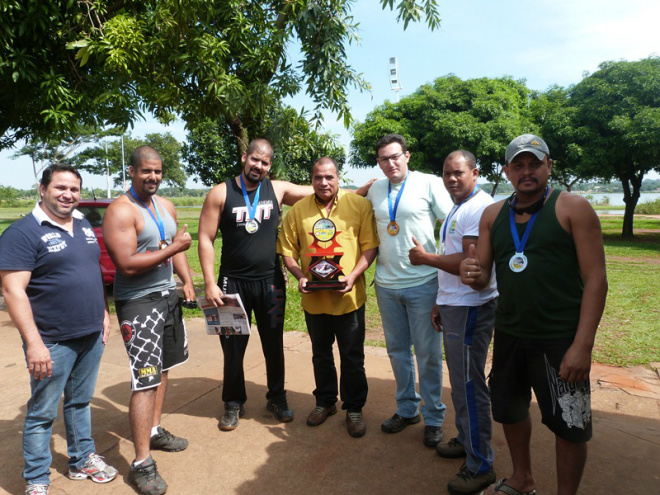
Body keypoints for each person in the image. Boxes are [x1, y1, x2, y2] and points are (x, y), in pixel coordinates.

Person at [460, 134, 608, 495]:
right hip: (510, 333)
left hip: (560, 338)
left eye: (534, 163)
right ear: (507, 171)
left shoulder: (573, 208)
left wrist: (582, 346)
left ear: (549, 166)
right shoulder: (492, 214)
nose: (527, 171)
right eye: (518, 165)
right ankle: (522, 479)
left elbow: (596, 281)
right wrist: (472, 273)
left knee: (569, 424)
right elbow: (481, 280)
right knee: (509, 411)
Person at [0, 164, 117, 495]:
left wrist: (104, 314)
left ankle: (81, 460)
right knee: (41, 413)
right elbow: (12, 291)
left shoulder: (81, 225)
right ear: (42, 189)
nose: (68, 194)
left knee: (80, 402)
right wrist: (34, 343)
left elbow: (92, 271)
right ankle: (37, 478)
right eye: (60, 188)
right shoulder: (22, 232)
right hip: (51, 341)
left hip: (90, 334)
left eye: (74, 189)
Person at [198, 138, 315, 431]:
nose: (258, 166)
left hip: (270, 282)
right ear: (244, 157)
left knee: (273, 343)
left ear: (269, 165)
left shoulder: (277, 189)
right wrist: (210, 283)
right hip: (230, 283)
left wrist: (363, 191)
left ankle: (277, 397)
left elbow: (322, 188)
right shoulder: (221, 193)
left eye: (264, 162)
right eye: (254, 160)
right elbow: (205, 239)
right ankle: (233, 402)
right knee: (232, 346)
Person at [103, 146, 196, 495]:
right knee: (145, 378)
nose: (153, 177)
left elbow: (175, 245)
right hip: (138, 303)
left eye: (157, 171)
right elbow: (125, 264)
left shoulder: (165, 206)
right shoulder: (120, 210)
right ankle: (141, 463)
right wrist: (176, 250)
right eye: (146, 171)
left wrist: (185, 280)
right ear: (132, 171)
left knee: (164, 368)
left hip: (167, 297)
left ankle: (155, 431)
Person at [408, 150, 497, 495]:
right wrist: (439, 301)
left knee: (469, 385)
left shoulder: (479, 207)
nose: (451, 179)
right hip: (455, 304)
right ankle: (466, 440)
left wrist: (425, 259)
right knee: (460, 382)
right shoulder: (461, 206)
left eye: (458, 173)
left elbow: (470, 261)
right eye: (446, 173)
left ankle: (480, 465)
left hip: (471, 306)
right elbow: (457, 259)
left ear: (475, 173)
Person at [277, 157, 378, 437]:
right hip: (315, 300)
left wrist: (354, 275)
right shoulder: (297, 211)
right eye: (318, 177)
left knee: (352, 356)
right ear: (312, 179)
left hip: (349, 298)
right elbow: (287, 251)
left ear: (338, 177)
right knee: (321, 355)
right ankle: (325, 402)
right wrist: (300, 276)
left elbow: (370, 247)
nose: (324, 182)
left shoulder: (359, 206)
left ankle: (354, 407)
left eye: (329, 177)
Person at [364, 133, 452, 448]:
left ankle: (434, 418)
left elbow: (450, 225)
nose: (391, 163)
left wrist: (445, 274)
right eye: (384, 159)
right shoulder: (374, 189)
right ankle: (406, 409)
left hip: (424, 283)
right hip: (387, 285)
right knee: (397, 351)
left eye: (395, 156)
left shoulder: (428, 184)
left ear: (407, 155)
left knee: (428, 354)